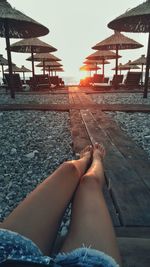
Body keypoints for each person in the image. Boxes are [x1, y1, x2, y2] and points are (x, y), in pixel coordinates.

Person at [0, 143, 122, 267]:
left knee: (68, 168)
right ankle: (97, 159)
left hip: (5, 254)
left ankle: (84, 159)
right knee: (90, 182)